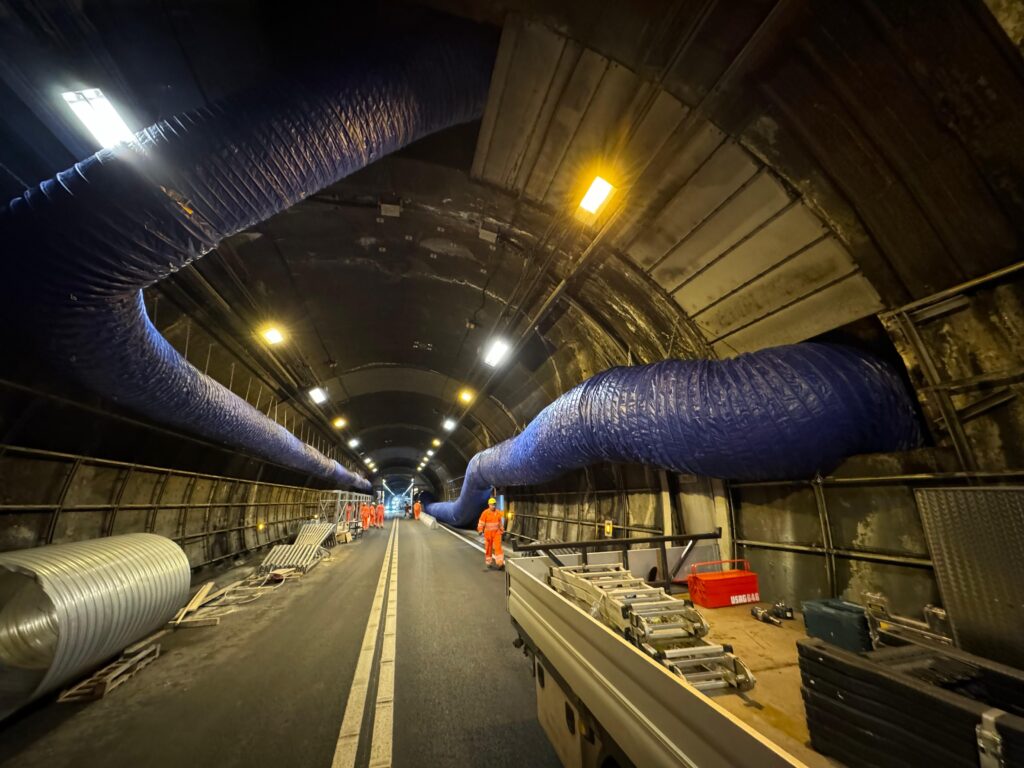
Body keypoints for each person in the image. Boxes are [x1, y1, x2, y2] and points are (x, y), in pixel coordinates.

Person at [477, 497, 505, 570]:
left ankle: (500, 563)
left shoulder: (498, 512)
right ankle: (489, 561)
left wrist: (502, 530)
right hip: (488, 534)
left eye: (494, 504)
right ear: (489, 505)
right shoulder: (485, 513)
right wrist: (480, 530)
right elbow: (481, 523)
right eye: (492, 505)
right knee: (488, 548)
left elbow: (500, 523)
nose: (494, 506)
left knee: (498, 547)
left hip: (496, 533)